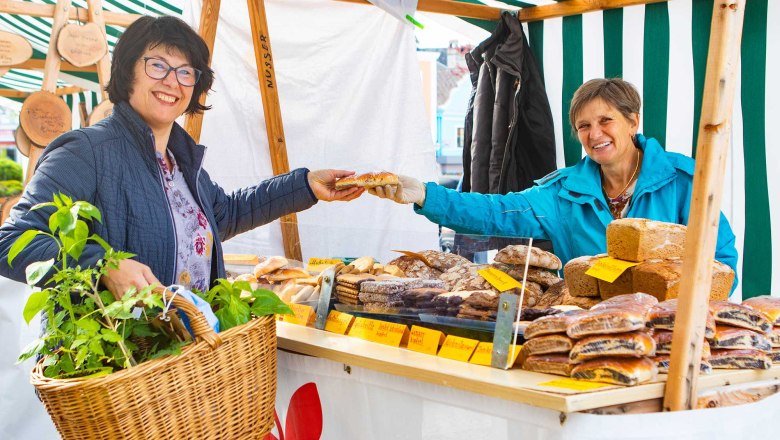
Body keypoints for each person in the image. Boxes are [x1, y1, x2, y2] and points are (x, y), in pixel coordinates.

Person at [0, 16, 362, 297]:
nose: (172, 81)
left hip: (182, 363)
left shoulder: (180, 159)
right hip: (122, 363)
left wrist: (306, 186)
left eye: (186, 72)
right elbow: (11, 242)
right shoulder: (87, 151)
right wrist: (103, 267)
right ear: (128, 72)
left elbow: (226, 213)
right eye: (158, 65)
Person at [369, 78, 739, 285]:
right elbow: (495, 212)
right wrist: (424, 195)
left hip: (666, 333)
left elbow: (721, 260)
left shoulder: (682, 181)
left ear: (633, 121)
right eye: (584, 126)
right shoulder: (564, 192)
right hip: (583, 331)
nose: (595, 134)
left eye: (605, 121)